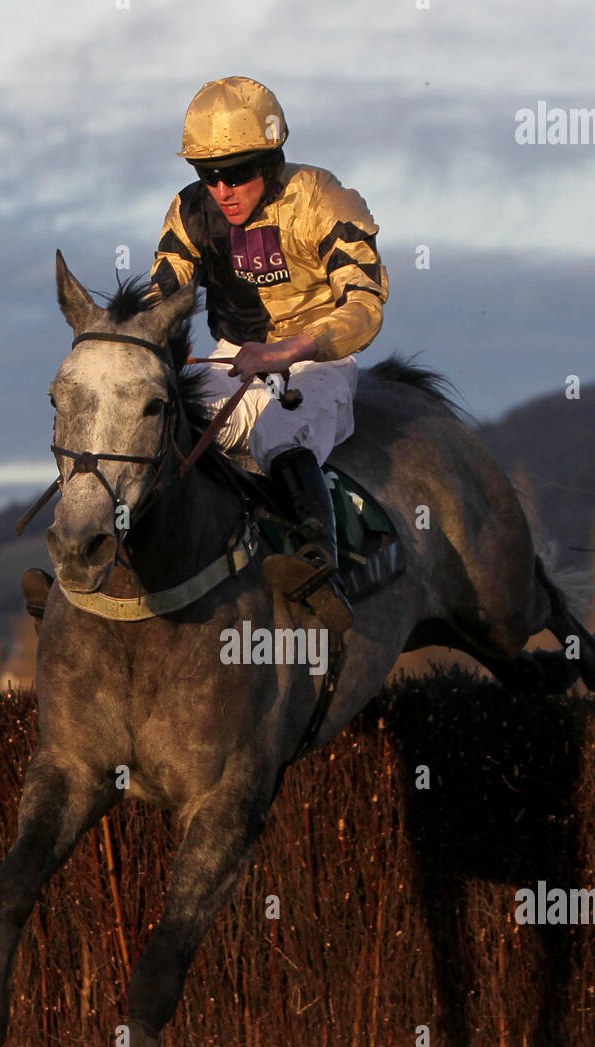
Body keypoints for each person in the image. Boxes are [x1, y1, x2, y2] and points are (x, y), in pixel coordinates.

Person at [144, 76, 389, 632]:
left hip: (318, 356)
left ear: (272, 160)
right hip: (233, 357)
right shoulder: (189, 213)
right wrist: (154, 348)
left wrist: (289, 350)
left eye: (238, 173)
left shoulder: (324, 198)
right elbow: (163, 298)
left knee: (280, 434)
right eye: (209, 176)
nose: (222, 190)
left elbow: (366, 306)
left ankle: (316, 562)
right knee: (157, 418)